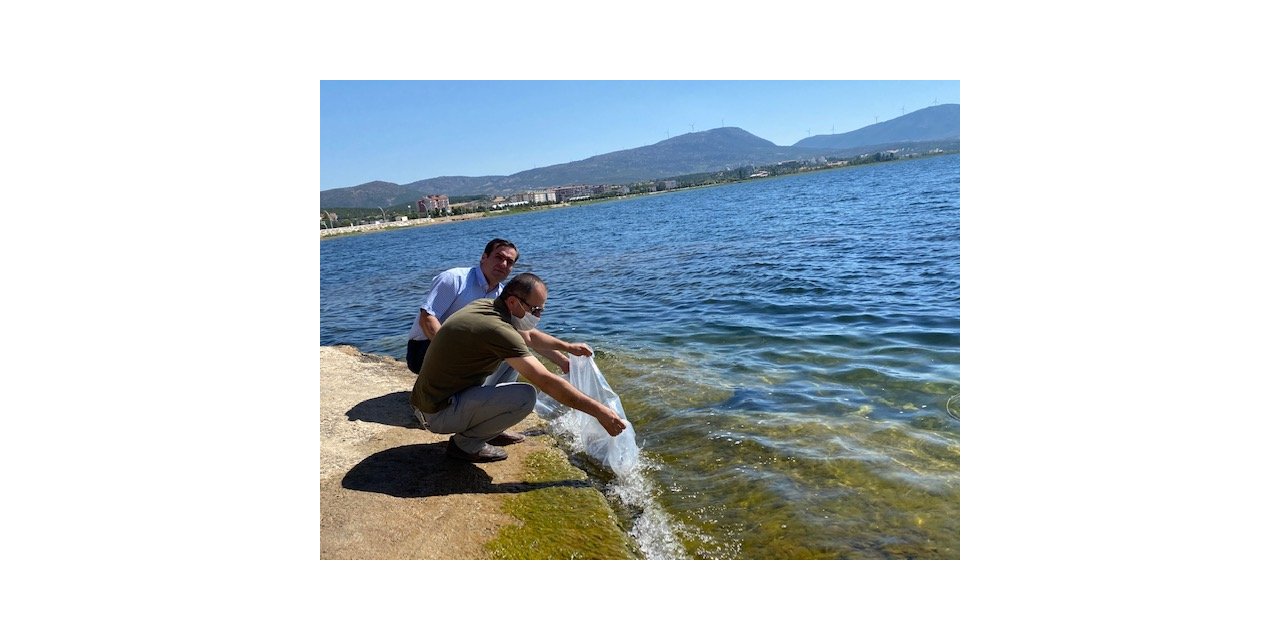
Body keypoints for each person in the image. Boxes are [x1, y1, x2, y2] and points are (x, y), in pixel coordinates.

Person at [411, 272, 628, 463]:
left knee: (512, 358)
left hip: (432, 400)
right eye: (536, 310)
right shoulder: (498, 330)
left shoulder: (487, 306)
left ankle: (487, 428)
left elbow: (528, 336)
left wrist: (567, 347)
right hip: (437, 413)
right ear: (514, 302)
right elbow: (546, 380)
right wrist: (599, 411)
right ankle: (465, 445)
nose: (538, 316)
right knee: (525, 396)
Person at [405, 238, 519, 375]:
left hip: (465, 348)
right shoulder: (454, 279)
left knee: (514, 354)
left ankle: (488, 394)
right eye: (499, 257)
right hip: (425, 347)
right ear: (484, 257)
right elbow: (427, 319)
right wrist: (455, 354)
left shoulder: (501, 296)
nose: (503, 264)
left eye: (509, 262)